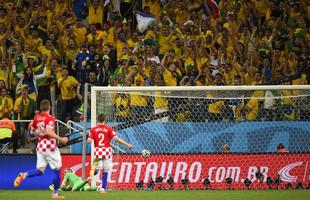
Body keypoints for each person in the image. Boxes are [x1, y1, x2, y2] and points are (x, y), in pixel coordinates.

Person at [13, 99, 68, 199]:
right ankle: (55, 194)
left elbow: (31, 133)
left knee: (40, 170)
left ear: (41, 108)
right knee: (57, 170)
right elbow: (48, 132)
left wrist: (32, 128)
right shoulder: (50, 118)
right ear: (49, 107)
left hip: (40, 147)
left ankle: (23, 175)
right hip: (50, 147)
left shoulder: (36, 118)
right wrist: (61, 139)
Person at [88, 113, 133, 193]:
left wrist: (90, 139)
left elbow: (89, 141)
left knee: (96, 168)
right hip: (107, 151)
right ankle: (103, 189)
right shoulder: (109, 128)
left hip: (98, 151)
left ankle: (90, 176)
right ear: (105, 120)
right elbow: (116, 139)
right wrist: (127, 144)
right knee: (105, 170)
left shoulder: (93, 129)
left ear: (98, 120)